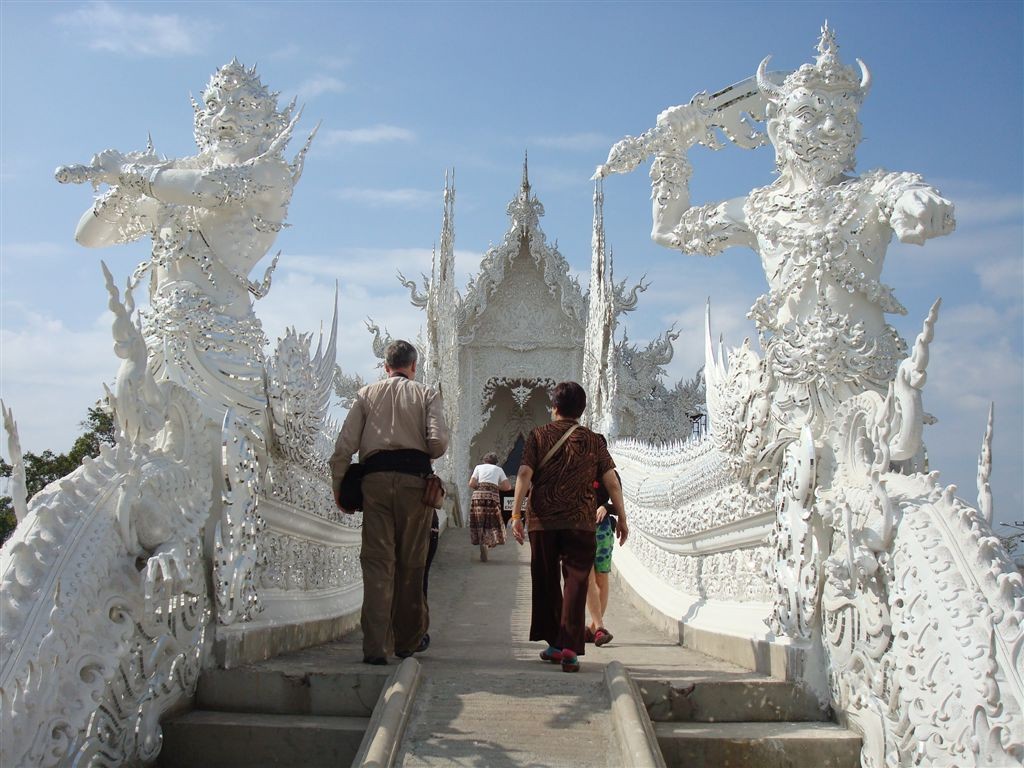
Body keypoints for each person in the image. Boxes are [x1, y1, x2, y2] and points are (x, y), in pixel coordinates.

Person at [63, 60, 313, 418]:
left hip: (224, 350)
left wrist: (131, 172)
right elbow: (89, 236)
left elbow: (208, 190)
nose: (224, 117)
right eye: (215, 105)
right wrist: (121, 188)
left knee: (217, 455)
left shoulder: (269, 174)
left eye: (242, 106)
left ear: (269, 124)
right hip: (158, 347)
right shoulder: (167, 181)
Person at [329, 340, 449, 665]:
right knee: (412, 564)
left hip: (375, 484)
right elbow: (438, 443)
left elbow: (344, 447)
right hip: (415, 486)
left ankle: (375, 647)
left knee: (378, 564)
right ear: (413, 366)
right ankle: (407, 643)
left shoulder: (366, 395)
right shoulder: (426, 394)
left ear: (385, 367)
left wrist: (340, 487)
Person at [511, 381, 624, 673]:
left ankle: (556, 644)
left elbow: (524, 473)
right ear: (581, 410)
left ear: (555, 408)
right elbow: (611, 480)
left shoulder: (538, 436)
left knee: (546, 579)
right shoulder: (594, 440)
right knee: (577, 580)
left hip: (543, 521)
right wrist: (622, 517)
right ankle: (571, 648)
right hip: (581, 520)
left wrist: (515, 514)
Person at [586, 474, 628, 646]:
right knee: (588, 579)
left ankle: (594, 628)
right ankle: (598, 627)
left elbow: (618, 504)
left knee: (601, 578)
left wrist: (606, 507)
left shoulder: (610, 474)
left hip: (602, 531)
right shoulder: (576, 465)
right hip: (581, 529)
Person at [468, 452, 513, 562]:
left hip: (478, 496)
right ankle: (487, 542)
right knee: (491, 522)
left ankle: (481, 542)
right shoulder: (498, 470)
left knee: (479, 521)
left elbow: (471, 483)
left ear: (484, 460)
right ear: (495, 462)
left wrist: (481, 486)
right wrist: (495, 486)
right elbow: (507, 487)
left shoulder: (478, 467)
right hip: (491, 497)